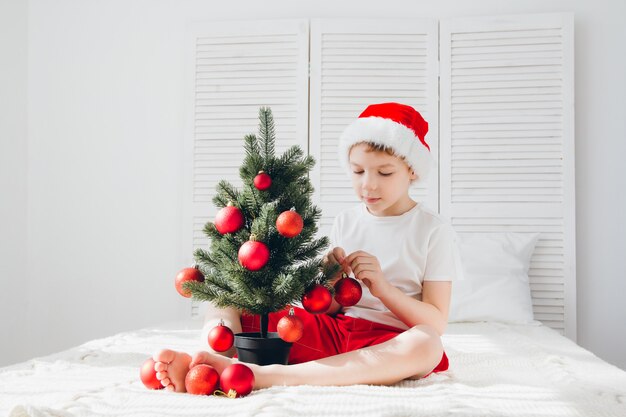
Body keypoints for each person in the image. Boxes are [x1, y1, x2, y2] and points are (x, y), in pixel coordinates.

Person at [153, 102, 458, 392]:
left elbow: (436, 321)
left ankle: (267, 375)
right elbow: (336, 308)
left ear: (413, 171)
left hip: (388, 344)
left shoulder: (432, 229)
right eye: (358, 171)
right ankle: (207, 361)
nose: (369, 185)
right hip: (335, 332)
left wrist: (383, 289)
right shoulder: (348, 221)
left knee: (428, 343)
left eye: (385, 172)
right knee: (230, 292)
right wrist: (330, 284)